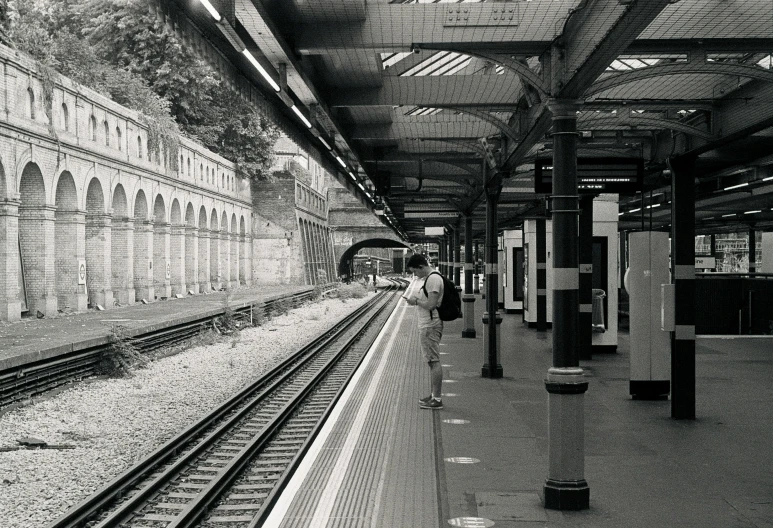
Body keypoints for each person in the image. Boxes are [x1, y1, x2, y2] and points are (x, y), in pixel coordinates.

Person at [404, 253, 444, 410]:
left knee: (433, 361)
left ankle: (437, 399)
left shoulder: (433, 279)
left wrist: (415, 301)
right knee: (431, 361)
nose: (416, 275)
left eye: (415, 271)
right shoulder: (431, 278)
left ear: (421, 267)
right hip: (429, 324)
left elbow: (431, 305)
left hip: (430, 325)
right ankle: (434, 395)